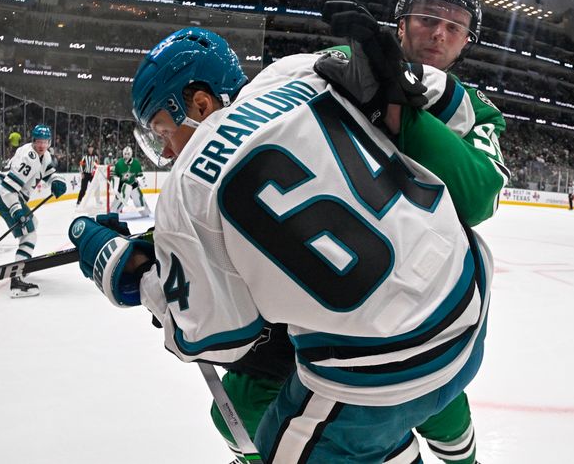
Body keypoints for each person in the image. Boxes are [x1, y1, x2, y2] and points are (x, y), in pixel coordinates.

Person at [68, 27, 493, 462]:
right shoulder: (295, 71)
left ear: (200, 103)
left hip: (378, 365)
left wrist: (135, 276)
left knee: (280, 439)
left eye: (162, 131)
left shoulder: (186, 186)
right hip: (468, 294)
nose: (168, 150)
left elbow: (215, 338)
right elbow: (440, 91)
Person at [215, 0, 508, 464]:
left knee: (439, 402)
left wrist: (398, 111)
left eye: (454, 27)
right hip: (317, 281)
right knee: (238, 404)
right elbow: (254, 161)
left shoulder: (478, 112)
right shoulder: (340, 69)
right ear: (401, 24)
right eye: (428, 18)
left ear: (465, 44)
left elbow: (479, 195)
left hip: (415, 296)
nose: (439, 32)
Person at [0, 124, 67, 297]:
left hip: (11, 194)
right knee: (29, 233)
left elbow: (48, 172)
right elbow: (7, 189)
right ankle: (17, 281)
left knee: (33, 225)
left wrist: (57, 181)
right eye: (38, 142)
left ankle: (21, 265)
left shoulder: (44, 155)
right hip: (5, 196)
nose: (42, 145)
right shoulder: (28, 158)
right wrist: (16, 210)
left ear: (49, 142)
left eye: (45, 142)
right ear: (33, 141)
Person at [110, 145, 151, 217]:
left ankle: (145, 212)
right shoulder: (119, 163)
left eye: (128, 154)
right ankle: (113, 213)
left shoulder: (136, 163)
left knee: (139, 196)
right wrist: (114, 186)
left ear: (131, 154)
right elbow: (114, 175)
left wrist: (142, 182)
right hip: (122, 185)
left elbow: (140, 175)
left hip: (133, 184)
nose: (126, 156)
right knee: (121, 198)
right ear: (123, 154)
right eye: (125, 154)